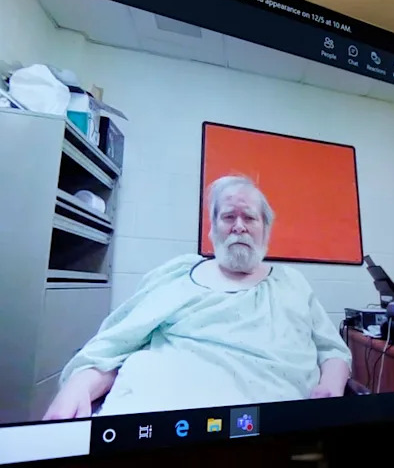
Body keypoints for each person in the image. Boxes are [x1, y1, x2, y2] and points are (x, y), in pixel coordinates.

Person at [44, 175, 352, 420]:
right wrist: (78, 386)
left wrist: (331, 386)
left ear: (265, 229)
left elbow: (333, 350)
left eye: (250, 218)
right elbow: (113, 346)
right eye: (228, 216)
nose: (239, 226)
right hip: (160, 429)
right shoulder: (177, 276)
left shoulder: (292, 284)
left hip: (268, 431)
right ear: (213, 228)